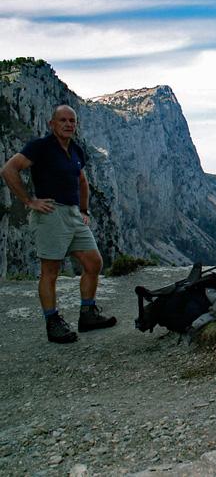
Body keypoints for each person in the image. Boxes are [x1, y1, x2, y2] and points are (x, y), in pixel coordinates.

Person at [0, 104, 116, 343]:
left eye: (72, 121)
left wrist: (83, 210)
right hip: (51, 214)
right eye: (62, 120)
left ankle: (88, 314)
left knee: (94, 263)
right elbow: (9, 169)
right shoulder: (40, 147)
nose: (68, 124)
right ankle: (52, 322)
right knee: (50, 271)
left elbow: (82, 180)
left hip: (74, 215)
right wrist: (28, 200)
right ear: (52, 124)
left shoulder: (76, 150)